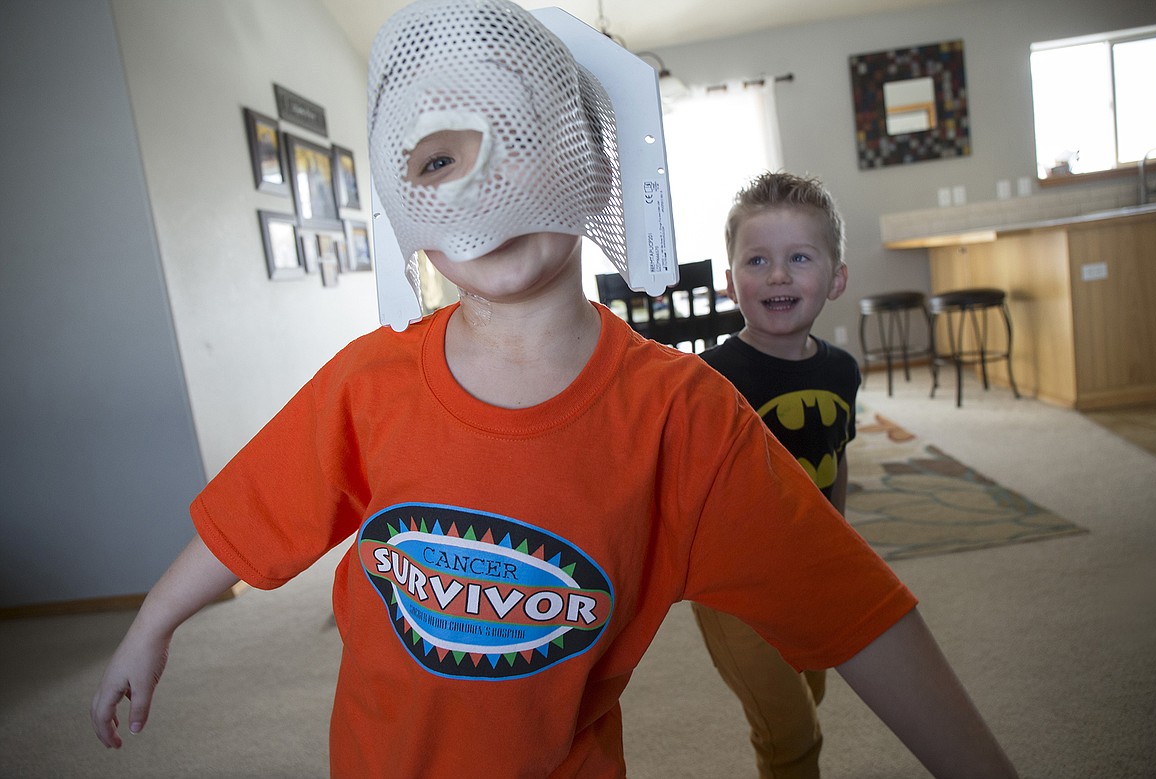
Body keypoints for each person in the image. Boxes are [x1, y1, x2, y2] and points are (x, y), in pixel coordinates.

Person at [90, 1, 1018, 777]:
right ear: (406, 199)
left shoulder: (681, 418)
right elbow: (245, 517)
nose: (480, 185)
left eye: (516, 140)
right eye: (439, 160)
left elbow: (854, 611)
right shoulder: (366, 384)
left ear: (592, 167)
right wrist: (152, 624)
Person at [691, 171, 857, 779]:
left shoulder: (842, 371)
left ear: (835, 278)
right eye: (757, 260)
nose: (778, 275)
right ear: (732, 282)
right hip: (735, 584)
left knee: (809, 696)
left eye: (799, 258)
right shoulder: (708, 382)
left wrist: (841, 541)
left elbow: (836, 454)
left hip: (811, 568)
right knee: (790, 736)